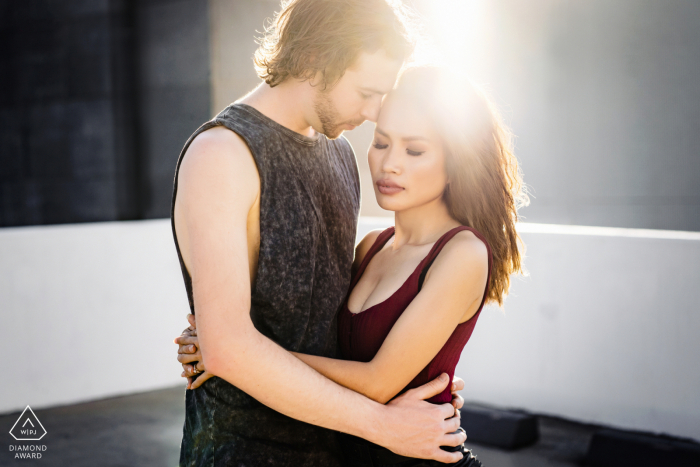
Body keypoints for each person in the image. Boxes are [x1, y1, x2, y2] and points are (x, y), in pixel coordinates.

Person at [178, 65, 528, 466]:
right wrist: (228, 348)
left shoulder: (463, 253)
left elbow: (377, 383)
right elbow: (326, 345)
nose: (389, 164)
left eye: (414, 151)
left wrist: (232, 354)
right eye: (381, 143)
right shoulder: (370, 248)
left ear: (456, 164)